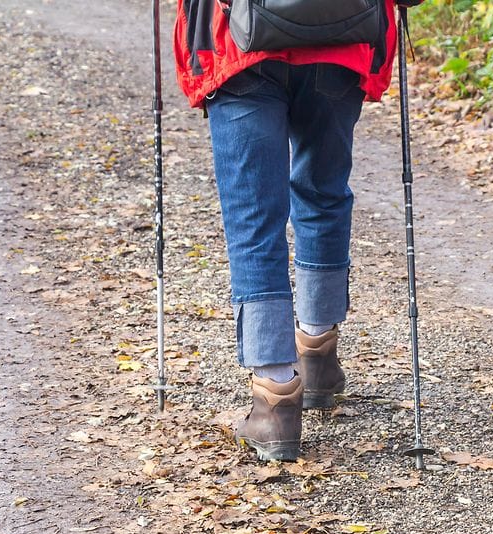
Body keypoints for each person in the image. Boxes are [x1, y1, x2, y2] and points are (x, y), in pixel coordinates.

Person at [173, 0, 421, 461]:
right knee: (323, 193)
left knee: (254, 218)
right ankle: (317, 352)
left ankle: (275, 399)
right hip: (341, 37)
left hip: (239, 47)